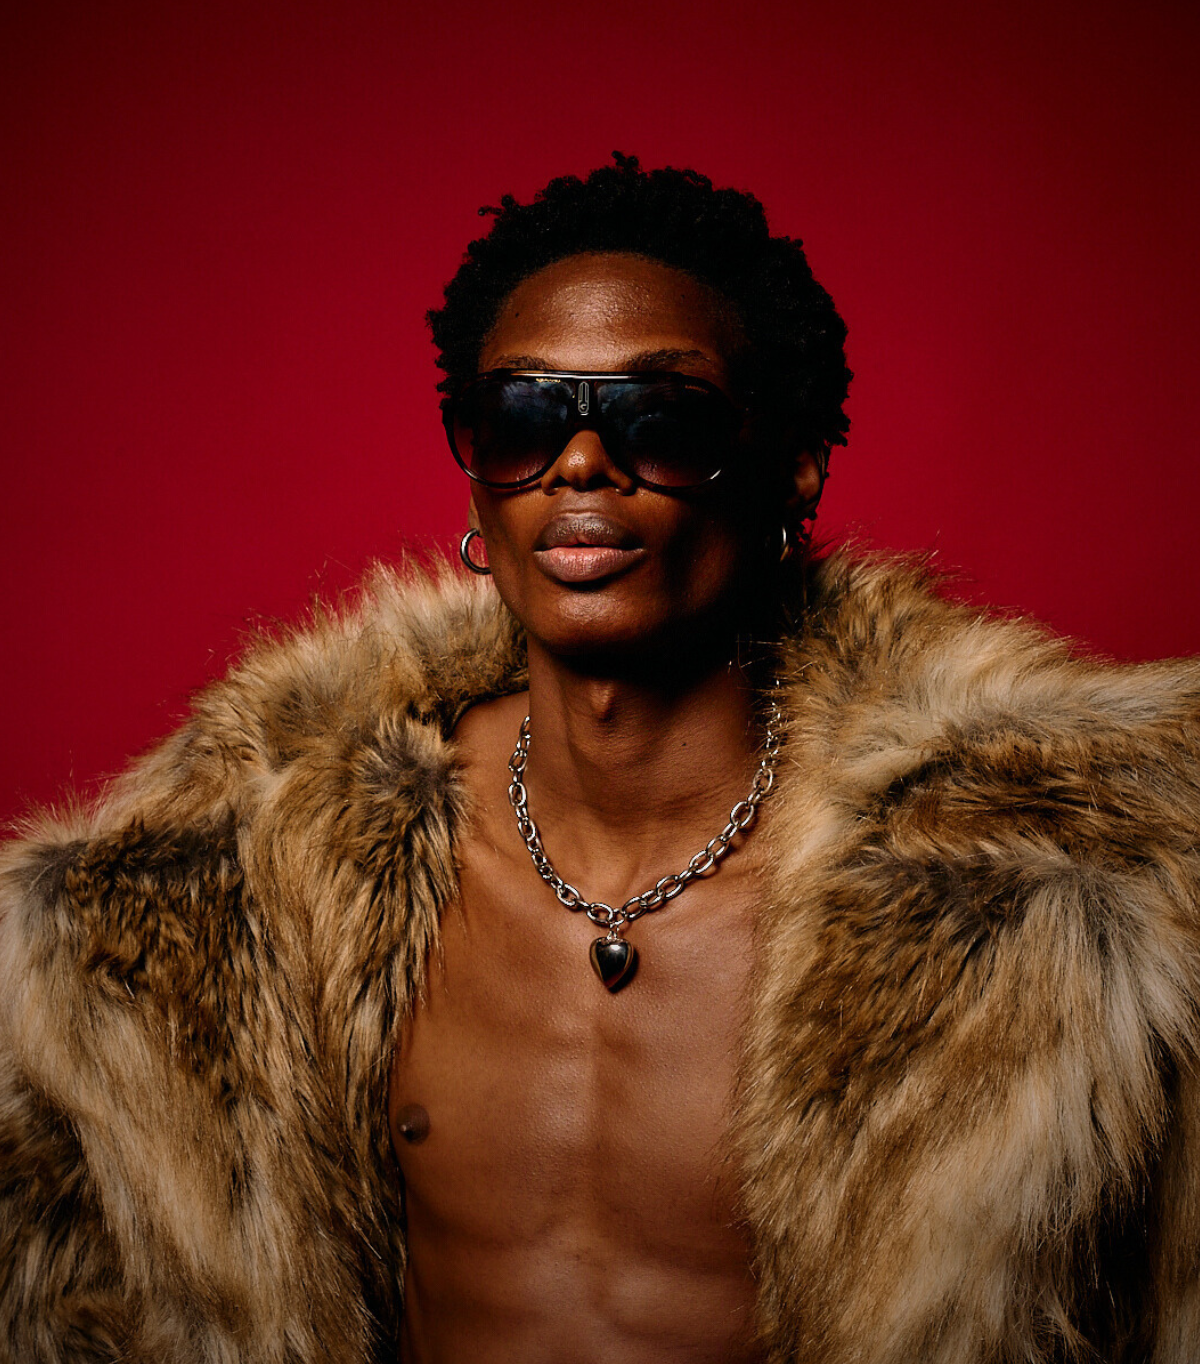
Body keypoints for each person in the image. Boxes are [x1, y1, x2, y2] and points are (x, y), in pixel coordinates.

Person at [2, 154, 1198, 1364]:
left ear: (792, 467)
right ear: (479, 473)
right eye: (524, 420)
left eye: (661, 421)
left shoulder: (1024, 908)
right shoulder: (275, 880)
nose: (579, 465)